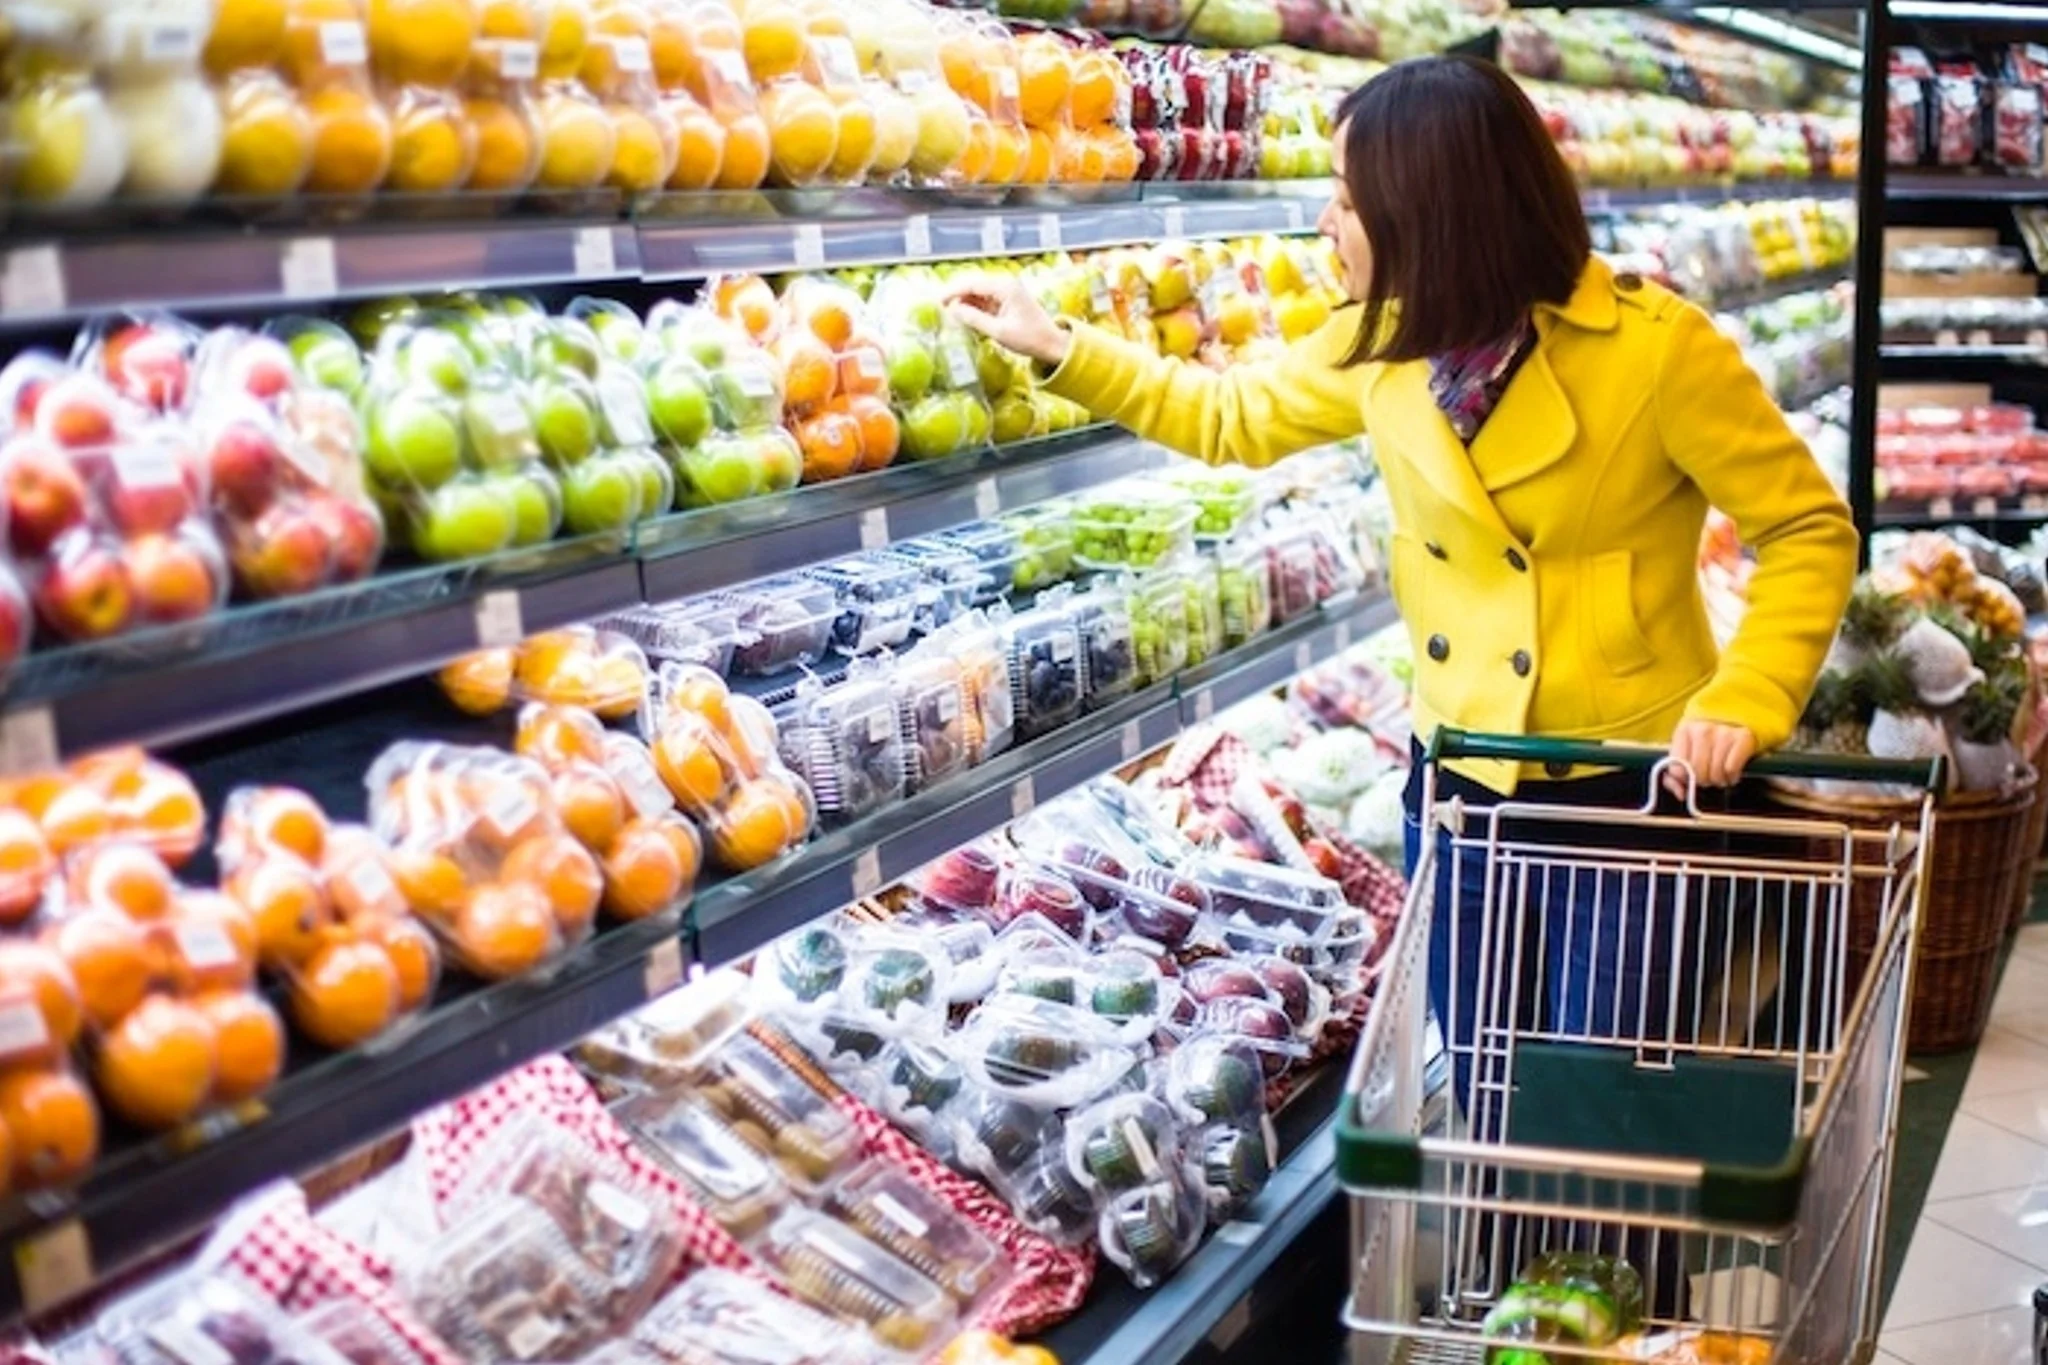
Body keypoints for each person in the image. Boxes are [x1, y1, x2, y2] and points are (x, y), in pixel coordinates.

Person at [947, 54, 1857, 1129]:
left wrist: (1744, 696)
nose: (1324, 226)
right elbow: (1229, 417)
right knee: (1480, 1080)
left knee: (1591, 1100)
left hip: (1625, 786)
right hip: (1461, 778)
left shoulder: (1656, 352)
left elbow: (1804, 527)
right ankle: (1499, 1278)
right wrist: (1059, 344)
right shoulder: (1379, 344)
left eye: (1345, 201)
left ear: (1432, 214)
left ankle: (1583, 1285)